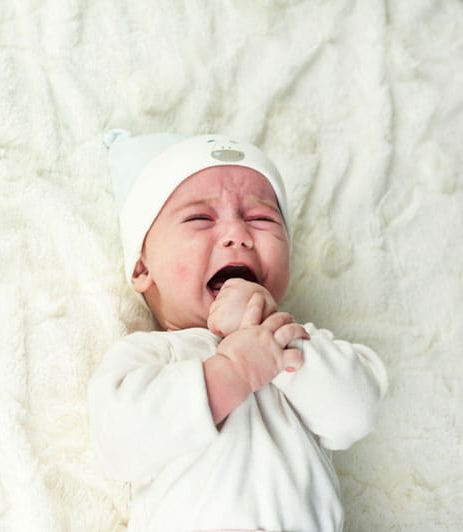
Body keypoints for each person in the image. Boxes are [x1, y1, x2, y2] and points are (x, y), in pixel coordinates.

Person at [88, 130, 388, 532]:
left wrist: (274, 341)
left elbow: (357, 411)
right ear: (142, 269)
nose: (238, 235)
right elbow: (118, 443)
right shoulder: (149, 356)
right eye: (200, 218)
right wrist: (232, 372)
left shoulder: (297, 341)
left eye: (260, 218)